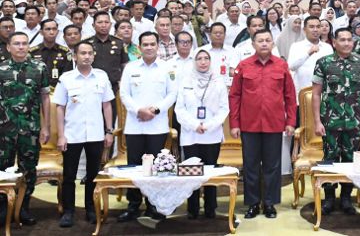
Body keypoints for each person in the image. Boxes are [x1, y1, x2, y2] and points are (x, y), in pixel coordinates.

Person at [229, 30, 296, 219]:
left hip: (274, 124)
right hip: (248, 124)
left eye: (267, 40)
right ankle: (252, 204)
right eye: (260, 41)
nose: (264, 43)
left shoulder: (281, 66)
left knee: (272, 166)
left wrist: (291, 122)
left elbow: (290, 97)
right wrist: (234, 123)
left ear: (273, 43)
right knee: (250, 166)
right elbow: (234, 96)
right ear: (253, 44)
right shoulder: (244, 66)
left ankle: (269, 203)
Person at [117, 32, 178, 222]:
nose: (149, 47)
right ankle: (133, 205)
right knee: (134, 166)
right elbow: (124, 94)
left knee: (156, 167)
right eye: (145, 44)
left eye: (152, 44)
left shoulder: (167, 68)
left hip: (157, 126)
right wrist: (138, 110)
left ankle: (154, 205)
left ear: (158, 46)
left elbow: (172, 94)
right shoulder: (130, 67)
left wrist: (155, 110)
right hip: (135, 125)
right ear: (140, 47)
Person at [312, 28, 360, 215]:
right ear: (334, 42)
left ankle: (346, 198)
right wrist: (317, 122)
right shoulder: (323, 63)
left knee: (351, 160)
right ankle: (329, 198)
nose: (347, 43)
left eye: (349, 40)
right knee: (329, 159)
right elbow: (316, 94)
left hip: (354, 121)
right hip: (330, 121)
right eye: (342, 40)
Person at [54, 41, 114, 227]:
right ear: (75, 56)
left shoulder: (101, 76)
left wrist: (109, 131)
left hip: (96, 134)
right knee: (69, 175)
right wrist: (61, 135)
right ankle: (68, 212)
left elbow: (107, 105)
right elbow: (59, 107)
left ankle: (91, 209)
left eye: (90, 53)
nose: (86, 56)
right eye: (82, 53)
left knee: (93, 174)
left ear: (93, 56)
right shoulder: (66, 78)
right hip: (72, 134)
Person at [0, 32, 50, 225]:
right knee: (2, 168)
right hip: (4, 130)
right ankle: (3, 207)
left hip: (30, 129)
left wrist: (46, 127)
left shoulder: (39, 68)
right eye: (17, 43)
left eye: (24, 43)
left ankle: (23, 207)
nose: (21, 47)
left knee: (28, 168)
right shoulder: (1, 69)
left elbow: (45, 97)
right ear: (8, 47)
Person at [175, 49, 230, 219]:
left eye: (206, 58)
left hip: (211, 134)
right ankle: (192, 208)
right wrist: (194, 125)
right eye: (199, 58)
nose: (203, 61)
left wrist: (208, 125)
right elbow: (179, 109)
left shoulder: (218, 82)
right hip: (190, 134)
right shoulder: (185, 81)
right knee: (191, 173)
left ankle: (210, 207)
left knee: (210, 171)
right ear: (194, 61)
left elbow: (224, 109)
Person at [287, 16, 333, 101]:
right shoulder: (296, 46)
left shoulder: (327, 47)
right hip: (302, 94)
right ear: (304, 30)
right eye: (311, 27)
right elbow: (291, 67)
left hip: (323, 96)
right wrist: (308, 53)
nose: (315, 30)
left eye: (318, 27)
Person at [30, 18, 72, 88]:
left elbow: (67, 75)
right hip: (38, 90)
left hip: (59, 90)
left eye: (54, 29)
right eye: (48, 29)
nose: (52, 32)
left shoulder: (65, 52)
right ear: (41, 32)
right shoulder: (32, 52)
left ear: (57, 32)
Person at [196, 23, 238, 88]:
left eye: (221, 33)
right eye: (215, 33)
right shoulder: (200, 51)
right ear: (210, 35)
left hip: (226, 87)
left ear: (225, 35)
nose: (218, 35)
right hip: (205, 87)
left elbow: (233, 71)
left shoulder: (232, 51)